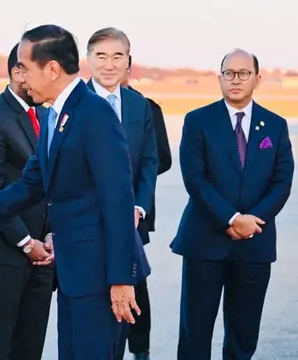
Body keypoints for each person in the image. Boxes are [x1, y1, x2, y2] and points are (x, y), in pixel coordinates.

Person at [0, 24, 151, 360]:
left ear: (52, 69)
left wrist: (122, 280)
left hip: (99, 276)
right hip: (72, 273)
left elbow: (119, 200)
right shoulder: (56, 115)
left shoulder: (94, 113)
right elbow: (28, 185)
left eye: (25, 67)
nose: (20, 76)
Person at [171, 49, 295, 360]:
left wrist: (251, 221)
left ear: (257, 79)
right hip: (205, 241)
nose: (235, 79)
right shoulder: (198, 121)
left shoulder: (275, 125)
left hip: (255, 243)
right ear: (220, 78)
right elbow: (195, 180)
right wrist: (231, 218)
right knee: (194, 333)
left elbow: (282, 183)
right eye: (229, 73)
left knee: (243, 335)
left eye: (243, 73)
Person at [0, 43, 53, 360]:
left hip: (43, 253)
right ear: (18, 72)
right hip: (4, 253)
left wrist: (49, 235)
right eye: (42, 69)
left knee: (30, 347)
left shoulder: (48, 115)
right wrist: (24, 241)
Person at [82, 27, 159, 360]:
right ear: (88, 60)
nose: (109, 64)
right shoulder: (71, 104)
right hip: (86, 227)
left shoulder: (139, 106)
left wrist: (138, 208)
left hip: (130, 226)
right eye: (101, 56)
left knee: (129, 308)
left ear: (129, 61)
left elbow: (150, 162)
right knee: (93, 317)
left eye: (117, 56)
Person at [117, 49, 172, 360]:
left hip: (135, 210)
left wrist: (133, 181)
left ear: (129, 69)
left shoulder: (146, 108)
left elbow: (160, 157)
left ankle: (140, 349)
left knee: (135, 280)